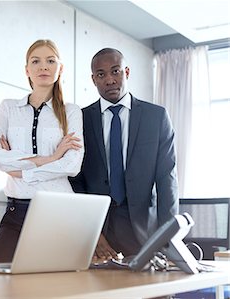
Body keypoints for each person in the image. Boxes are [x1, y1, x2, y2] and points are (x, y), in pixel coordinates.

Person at [69, 48, 179, 259]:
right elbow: (75, 181)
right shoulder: (79, 120)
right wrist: (92, 233)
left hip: (145, 230)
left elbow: (167, 179)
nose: (109, 80)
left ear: (126, 72)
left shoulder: (156, 117)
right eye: (101, 74)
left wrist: (168, 237)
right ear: (94, 80)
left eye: (115, 71)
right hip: (98, 232)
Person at [0, 39, 84, 262]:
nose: (43, 67)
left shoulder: (71, 112)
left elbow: (72, 165)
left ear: (60, 69)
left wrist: (21, 170)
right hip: (16, 211)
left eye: (51, 61)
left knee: (51, 287)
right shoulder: (9, 108)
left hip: (57, 211)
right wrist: (52, 158)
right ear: (27, 70)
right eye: (36, 61)